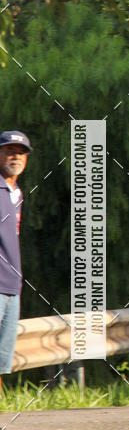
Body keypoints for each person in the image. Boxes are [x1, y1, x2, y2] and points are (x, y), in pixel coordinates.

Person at [0, 131, 31, 392]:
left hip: (12, 287)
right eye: (9, 151)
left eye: (20, 153)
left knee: (1, 362)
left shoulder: (16, 193)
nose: (15, 156)